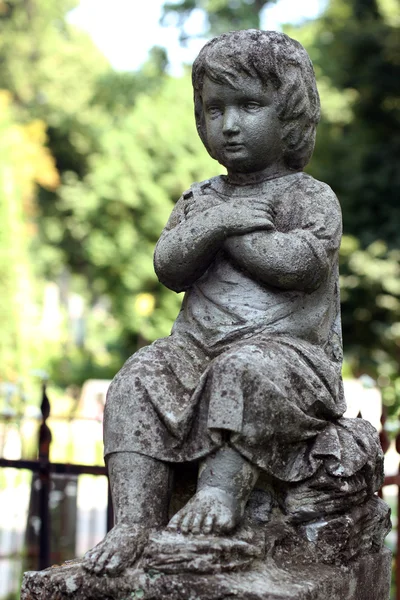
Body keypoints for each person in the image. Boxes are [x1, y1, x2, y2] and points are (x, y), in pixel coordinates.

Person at [83, 30, 382, 577]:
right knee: (137, 378)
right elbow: (169, 266)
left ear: (290, 116)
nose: (231, 124)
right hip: (192, 356)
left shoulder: (307, 196)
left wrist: (231, 235)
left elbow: (300, 264)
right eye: (214, 110)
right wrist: (216, 221)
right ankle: (134, 519)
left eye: (250, 105)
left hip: (289, 363)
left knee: (242, 368)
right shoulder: (200, 200)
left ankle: (221, 491)